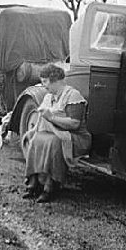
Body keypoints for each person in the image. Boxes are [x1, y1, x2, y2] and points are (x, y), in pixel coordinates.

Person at [21, 64, 91, 203]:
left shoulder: (72, 95)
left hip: (75, 137)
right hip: (57, 132)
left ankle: (50, 186)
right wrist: (32, 131)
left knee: (53, 142)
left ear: (56, 80)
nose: (43, 85)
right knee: (35, 139)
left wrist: (51, 117)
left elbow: (74, 124)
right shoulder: (48, 97)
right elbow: (42, 118)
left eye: (45, 81)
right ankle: (34, 183)